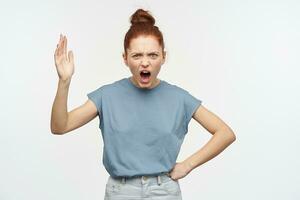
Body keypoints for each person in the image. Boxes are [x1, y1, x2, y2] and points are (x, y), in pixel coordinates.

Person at [51, 8, 236, 200]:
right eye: (137, 55)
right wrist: (64, 81)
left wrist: (188, 165)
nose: (145, 62)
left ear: (163, 57)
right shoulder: (107, 95)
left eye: (153, 55)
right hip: (120, 192)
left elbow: (225, 133)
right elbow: (60, 126)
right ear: (125, 58)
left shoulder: (179, 98)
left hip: (164, 191)